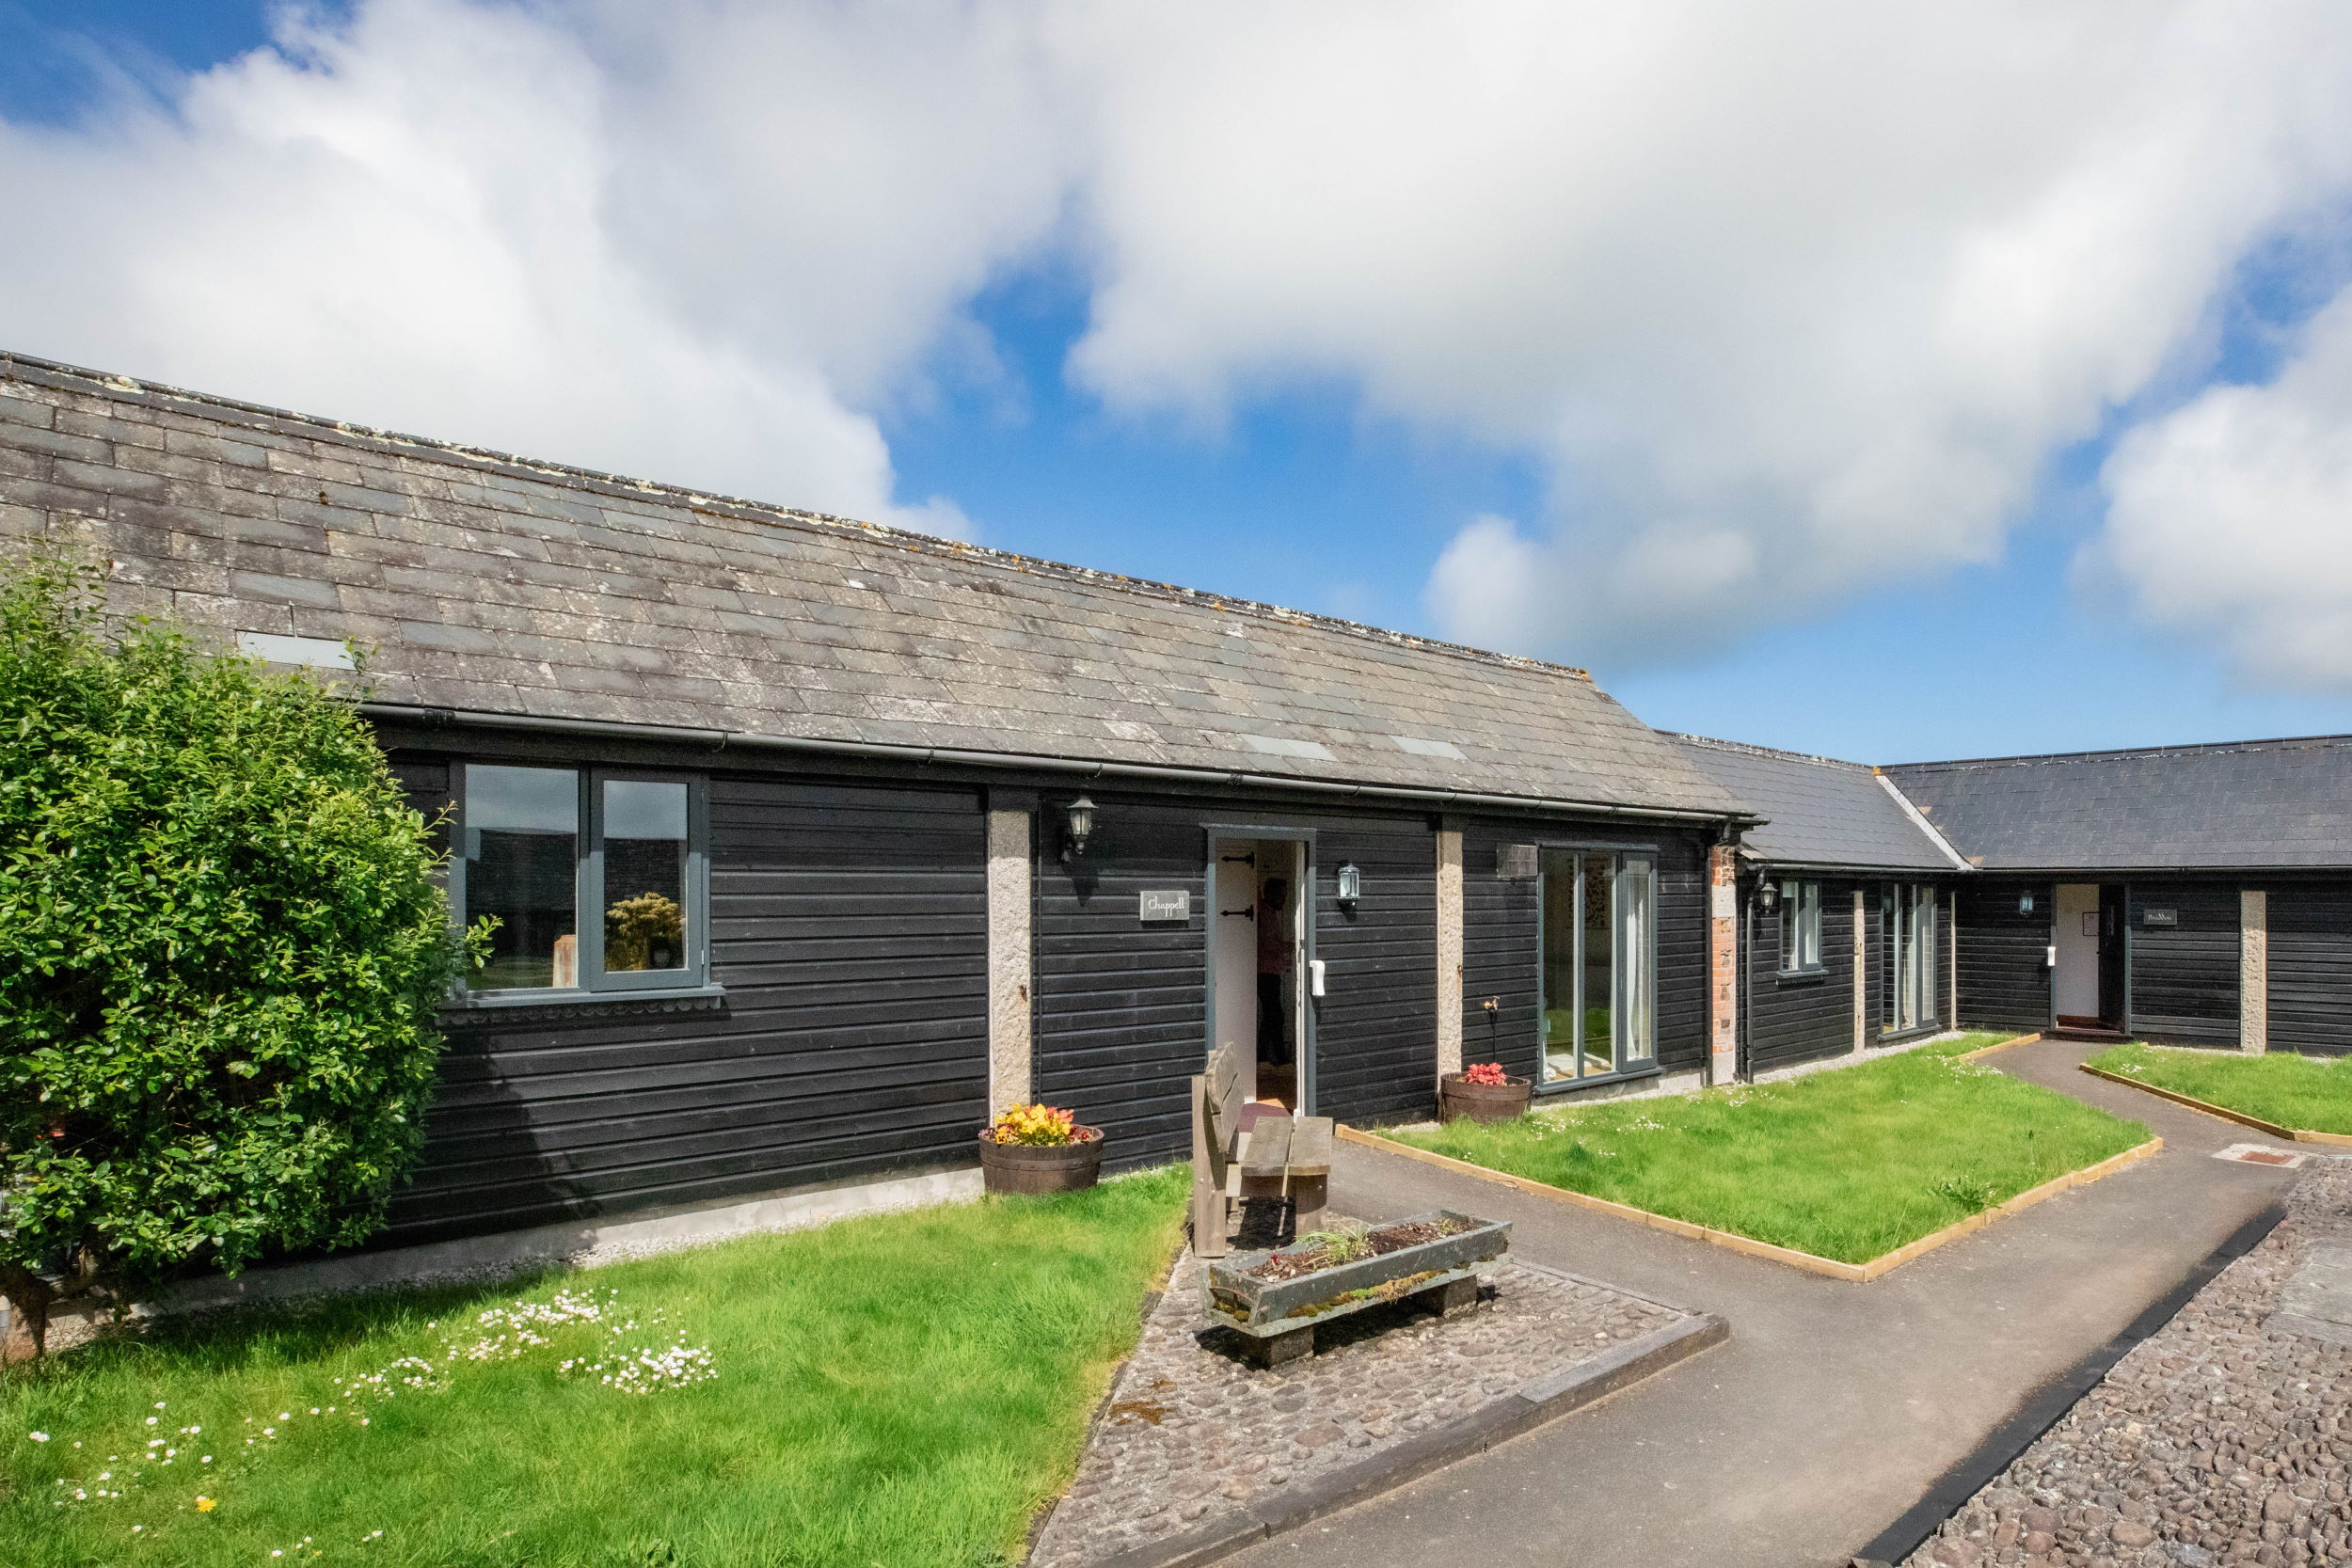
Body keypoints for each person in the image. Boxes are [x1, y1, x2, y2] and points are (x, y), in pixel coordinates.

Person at [1256, 877, 1293, 1067]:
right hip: (1266, 972)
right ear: (1269, 894)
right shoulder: (1266, 914)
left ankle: (1264, 1057)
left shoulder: (1267, 913)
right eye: (1280, 896)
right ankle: (1277, 1058)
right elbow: (1268, 943)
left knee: (1271, 1016)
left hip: (1269, 972)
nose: (1283, 900)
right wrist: (1288, 946)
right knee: (1275, 1016)